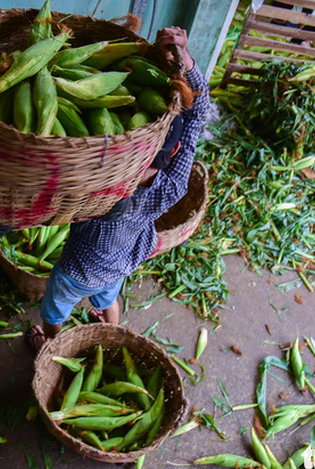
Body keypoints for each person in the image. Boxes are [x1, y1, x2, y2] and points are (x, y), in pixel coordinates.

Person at [27, 26, 211, 350]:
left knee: (54, 309)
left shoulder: (100, 181)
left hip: (76, 272)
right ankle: (112, 331)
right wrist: (185, 56)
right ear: (176, 148)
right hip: (122, 264)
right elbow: (198, 111)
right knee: (109, 297)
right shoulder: (173, 185)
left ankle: (50, 341)